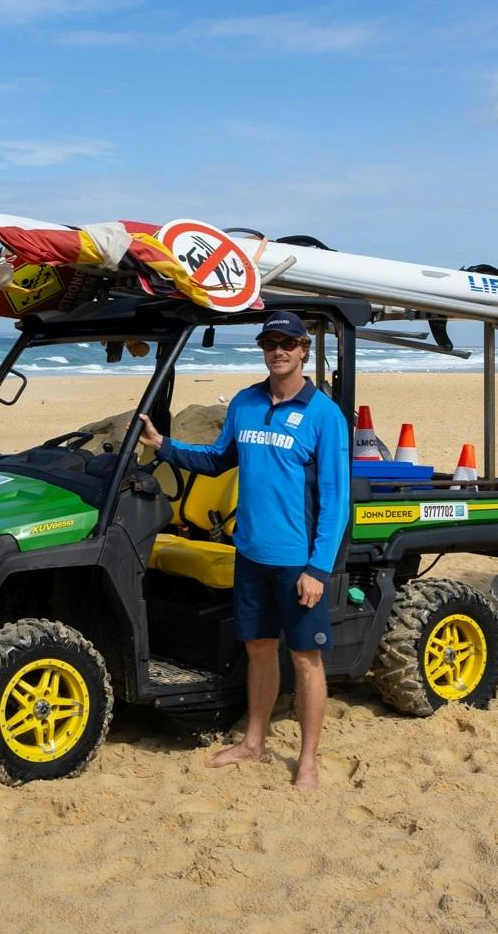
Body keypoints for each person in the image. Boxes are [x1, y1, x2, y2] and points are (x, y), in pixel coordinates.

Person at [137, 309, 349, 789]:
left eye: (288, 343)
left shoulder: (324, 415)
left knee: (305, 659)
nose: (279, 350)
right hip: (250, 554)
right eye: (271, 342)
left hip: (298, 561)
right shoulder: (246, 403)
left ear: (302, 351)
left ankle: (309, 760)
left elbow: (336, 499)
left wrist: (318, 568)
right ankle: (254, 742)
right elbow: (217, 460)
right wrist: (164, 445)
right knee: (258, 650)